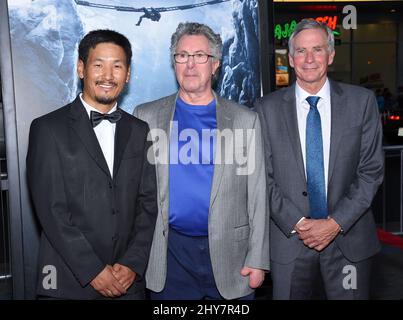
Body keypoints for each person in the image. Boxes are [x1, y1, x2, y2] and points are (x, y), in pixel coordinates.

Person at [134, 22, 269, 300]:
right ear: (174, 63)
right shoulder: (146, 116)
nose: (190, 64)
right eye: (182, 55)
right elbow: (136, 193)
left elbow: (257, 196)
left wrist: (258, 259)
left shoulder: (245, 120)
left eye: (200, 56)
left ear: (216, 64)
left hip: (231, 256)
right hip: (169, 256)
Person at [255, 19, 384, 300]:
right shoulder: (266, 109)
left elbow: (371, 172)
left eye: (317, 49)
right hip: (289, 241)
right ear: (290, 59)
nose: (309, 59)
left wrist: (335, 223)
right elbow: (261, 177)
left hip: (348, 242)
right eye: (301, 51)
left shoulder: (361, 103)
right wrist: (298, 223)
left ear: (331, 54)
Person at [26, 29, 158, 299]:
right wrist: (93, 270)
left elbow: (148, 203)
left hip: (128, 284)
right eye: (99, 65)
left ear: (128, 74)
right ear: (81, 68)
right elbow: (51, 211)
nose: (108, 76)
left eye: (117, 67)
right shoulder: (47, 129)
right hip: (69, 283)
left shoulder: (140, 130)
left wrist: (133, 263)